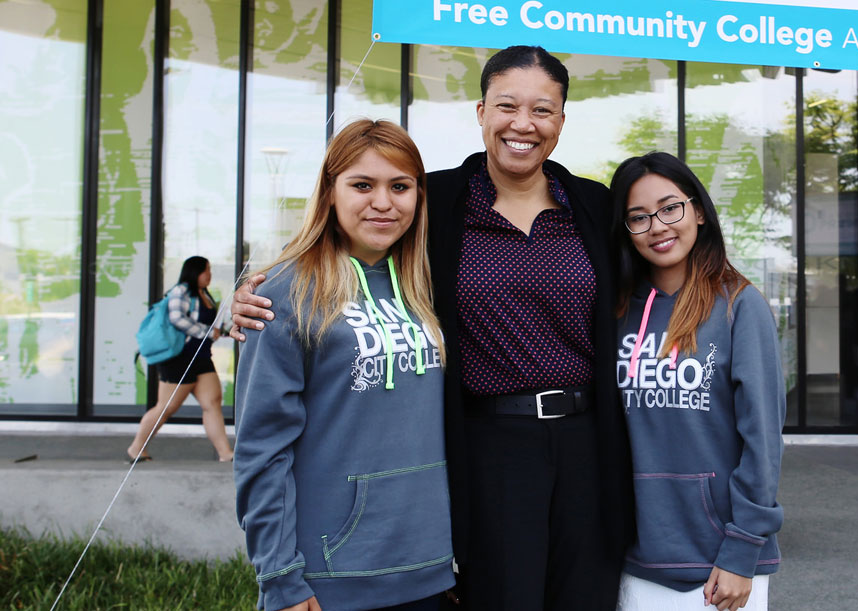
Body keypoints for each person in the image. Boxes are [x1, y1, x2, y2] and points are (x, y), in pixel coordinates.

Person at [231, 46, 633, 610]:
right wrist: (256, 291)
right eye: (507, 105)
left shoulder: (593, 204)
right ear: (480, 112)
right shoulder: (434, 200)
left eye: (543, 110)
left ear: (562, 121)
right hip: (488, 443)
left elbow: (658, 275)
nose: (524, 124)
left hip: (588, 440)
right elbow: (349, 240)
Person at [233, 119, 452, 611]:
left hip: (432, 571)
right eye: (361, 185)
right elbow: (262, 450)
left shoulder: (428, 285)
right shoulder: (282, 296)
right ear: (329, 193)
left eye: (400, 186)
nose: (383, 202)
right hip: (330, 577)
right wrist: (280, 576)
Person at [609, 152, 784, 611]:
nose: (658, 226)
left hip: (719, 564)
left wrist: (742, 550)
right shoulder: (617, 312)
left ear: (699, 211)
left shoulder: (740, 307)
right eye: (638, 217)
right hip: (632, 560)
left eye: (670, 208)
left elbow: (762, 443)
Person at [126, 255, 232, 463]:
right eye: (205, 270)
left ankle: (225, 453)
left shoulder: (205, 294)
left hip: (201, 357)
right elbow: (177, 319)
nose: (209, 275)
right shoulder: (181, 291)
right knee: (167, 407)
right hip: (179, 358)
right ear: (194, 272)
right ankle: (136, 448)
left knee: (212, 402)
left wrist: (221, 331)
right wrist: (209, 332)